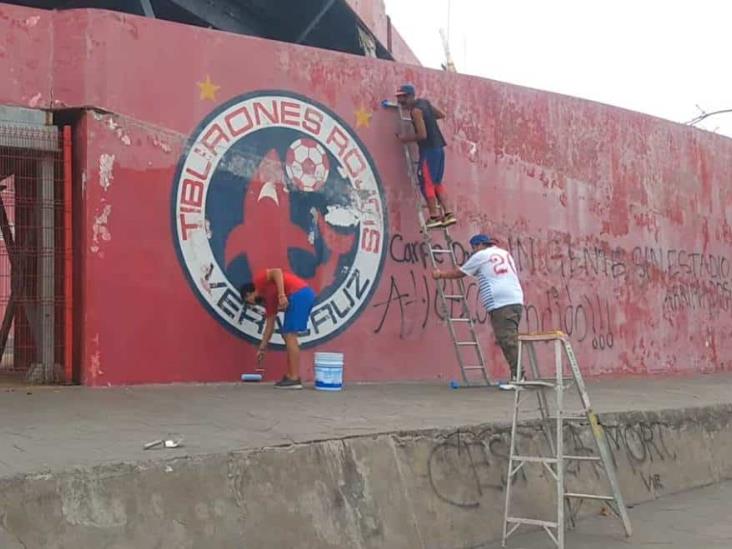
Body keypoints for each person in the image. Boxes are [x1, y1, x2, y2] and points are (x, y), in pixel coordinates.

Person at [432, 234, 524, 383]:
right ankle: (518, 375)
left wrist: (440, 274)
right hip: (515, 300)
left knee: (507, 340)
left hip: (501, 303)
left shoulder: (481, 255)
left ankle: (519, 377)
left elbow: (459, 273)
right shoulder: (503, 253)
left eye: (474, 248)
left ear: (480, 245)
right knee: (509, 338)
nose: (473, 251)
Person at [240, 268, 316, 389]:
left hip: (299, 293)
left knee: (289, 335)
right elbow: (269, 326)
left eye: (248, 301)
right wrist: (262, 348)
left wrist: (281, 294)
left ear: (248, 294)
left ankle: (294, 378)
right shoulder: (269, 301)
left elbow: (277, 272)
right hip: (299, 295)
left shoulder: (258, 281)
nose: (251, 304)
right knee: (287, 335)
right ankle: (291, 375)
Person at [395, 83, 456, 230]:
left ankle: (434, 216)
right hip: (439, 148)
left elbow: (422, 135)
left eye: (402, 98)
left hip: (429, 151)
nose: (399, 102)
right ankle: (448, 213)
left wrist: (405, 138)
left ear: (409, 97)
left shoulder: (416, 111)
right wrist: (428, 117)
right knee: (436, 183)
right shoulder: (425, 103)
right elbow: (441, 114)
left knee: (426, 182)